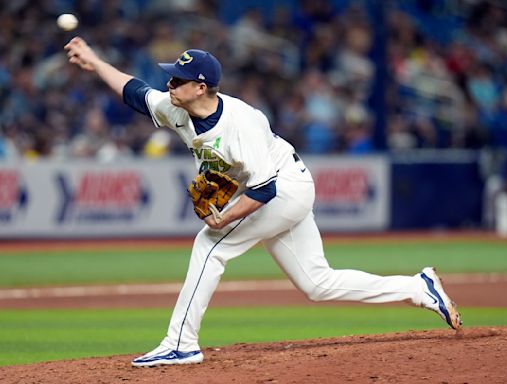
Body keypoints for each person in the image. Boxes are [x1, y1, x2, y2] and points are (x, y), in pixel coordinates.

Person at [64, 37, 462, 367]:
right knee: (317, 283)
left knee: (209, 245)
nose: (169, 85)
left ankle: (181, 342)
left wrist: (224, 219)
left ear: (200, 87)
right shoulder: (175, 107)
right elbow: (134, 91)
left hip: (285, 188)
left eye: (177, 80)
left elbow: (264, 190)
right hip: (280, 185)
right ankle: (418, 288)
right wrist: (95, 61)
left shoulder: (242, 123)